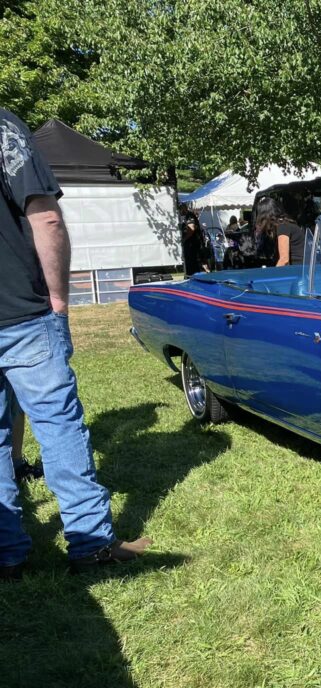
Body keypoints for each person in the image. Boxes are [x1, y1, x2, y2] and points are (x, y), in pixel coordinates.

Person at [0, 108, 151, 580]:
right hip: (21, 311)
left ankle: (7, 554)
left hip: (18, 313)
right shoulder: (3, 127)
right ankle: (89, 544)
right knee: (58, 426)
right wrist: (60, 302)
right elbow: (45, 218)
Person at [255, 198, 305, 266]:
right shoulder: (283, 224)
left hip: (299, 269)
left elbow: (284, 260)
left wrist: (273, 274)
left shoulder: (283, 227)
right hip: (300, 268)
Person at [179, 203, 202, 274]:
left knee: (192, 262)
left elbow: (192, 229)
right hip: (190, 243)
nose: (180, 212)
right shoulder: (187, 216)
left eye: (180, 210)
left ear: (183, 208)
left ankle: (193, 276)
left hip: (192, 243)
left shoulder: (189, 216)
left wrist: (184, 239)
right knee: (190, 262)